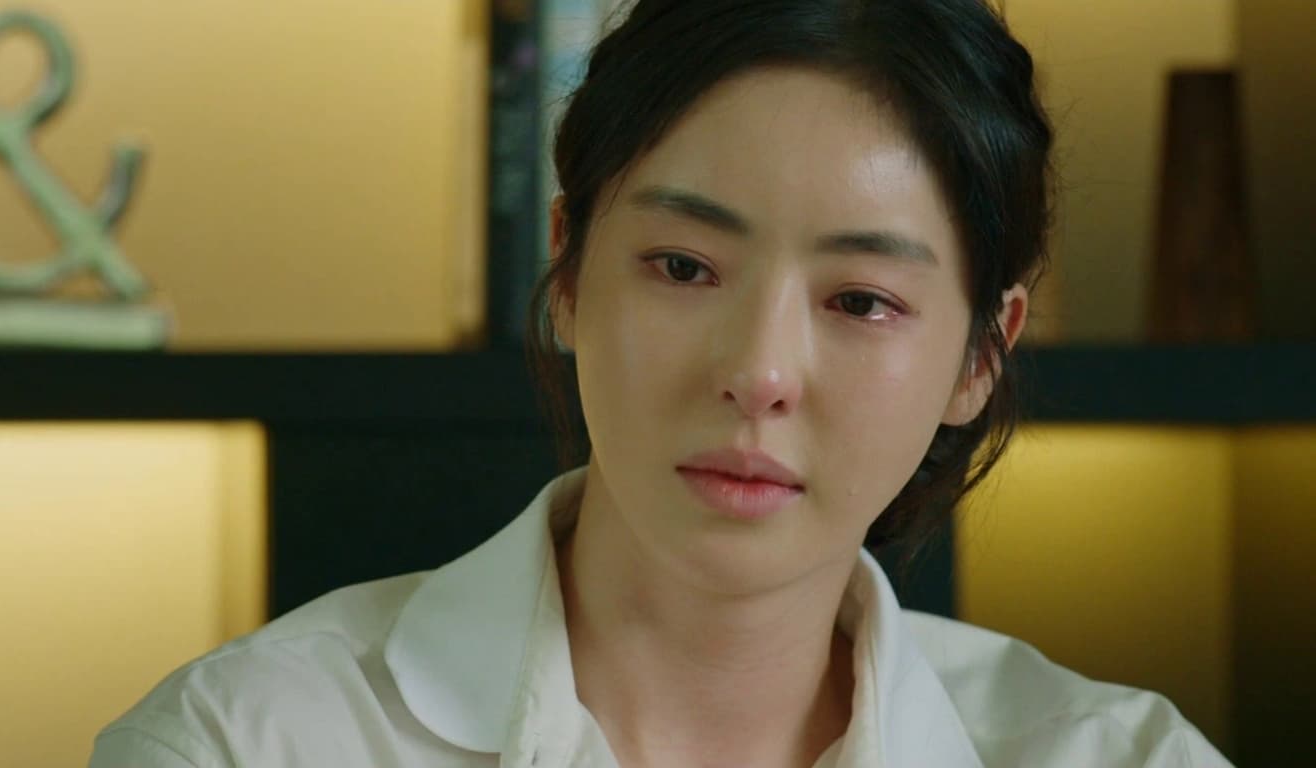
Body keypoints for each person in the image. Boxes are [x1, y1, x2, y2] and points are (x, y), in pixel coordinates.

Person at [90, 0, 1232, 766]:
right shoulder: (244, 742)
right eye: (683, 268)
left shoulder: (1123, 758)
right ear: (568, 273)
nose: (758, 373)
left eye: (860, 300)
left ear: (981, 356)